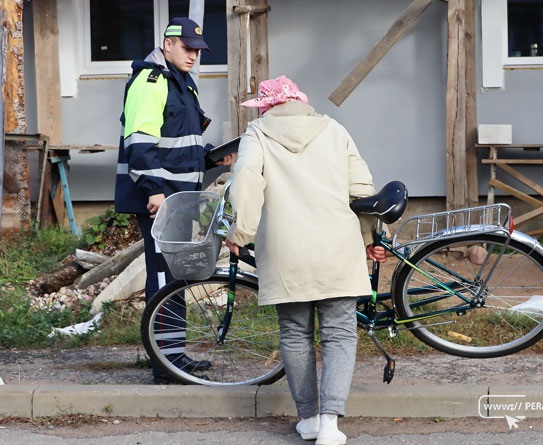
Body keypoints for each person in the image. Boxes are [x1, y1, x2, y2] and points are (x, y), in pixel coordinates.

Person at [225, 75, 386, 445]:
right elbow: (362, 191)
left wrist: (240, 233)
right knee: (340, 334)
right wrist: (371, 239)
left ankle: (309, 419)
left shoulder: (257, 134)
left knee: (295, 334)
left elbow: (246, 179)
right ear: (300, 101)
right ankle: (331, 423)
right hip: (338, 247)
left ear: (267, 107)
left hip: (286, 252)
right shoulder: (335, 129)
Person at [114, 17, 235, 384]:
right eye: (187, 48)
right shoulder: (150, 81)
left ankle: (173, 355)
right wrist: (153, 191)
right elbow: (139, 142)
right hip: (160, 200)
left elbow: (180, 143)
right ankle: (165, 364)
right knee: (165, 276)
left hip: (178, 199)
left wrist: (213, 156)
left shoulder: (182, 83)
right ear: (167, 45)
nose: (193, 56)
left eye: (198, 51)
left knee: (175, 276)